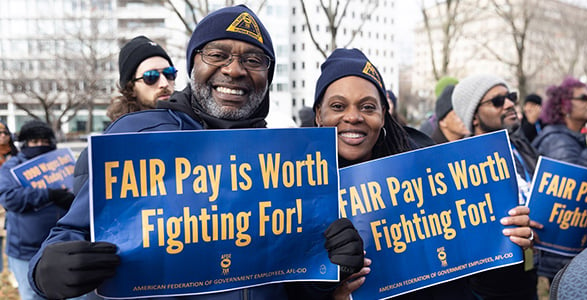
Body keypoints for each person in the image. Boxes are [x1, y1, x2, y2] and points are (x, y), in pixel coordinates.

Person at [28, 5, 355, 300]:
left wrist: (325, 272)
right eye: (218, 54)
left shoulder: (287, 161)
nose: (234, 70)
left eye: (253, 60)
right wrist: (45, 270)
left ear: (267, 76)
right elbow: (72, 231)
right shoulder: (138, 135)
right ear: (192, 63)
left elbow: (293, 280)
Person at [313, 50, 534, 300]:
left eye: (368, 107)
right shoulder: (295, 195)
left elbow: (470, 277)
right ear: (319, 113)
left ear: (383, 114)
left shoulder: (431, 176)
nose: (353, 117)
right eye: (338, 106)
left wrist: (505, 242)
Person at [451, 73, 539, 299]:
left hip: (529, 274)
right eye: (498, 101)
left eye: (511, 96)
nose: (509, 104)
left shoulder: (521, 146)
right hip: (487, 286)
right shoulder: (460, 163)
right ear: (474, 117)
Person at [530, 76, 587, 285]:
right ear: (564, 106)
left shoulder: (572, 138)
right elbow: (577, 191)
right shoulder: (557, 141)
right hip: (563, 252)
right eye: (584, 98)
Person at [0, 120, 76, 300]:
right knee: (33, 296)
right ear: (25, 143)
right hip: (25, 249)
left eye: (44, 141)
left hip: (62, 246)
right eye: (34, 142)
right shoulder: (11, 168)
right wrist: (49, 194)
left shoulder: (63, 163)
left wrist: (72, 200)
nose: (40, 146)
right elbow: (9, 198)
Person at [106, 35, 176, 121]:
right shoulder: (120, 132)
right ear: (131, 87)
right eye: (151, 76)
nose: (164, 83)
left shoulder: (190, 122)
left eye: (169, 73)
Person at [0, 121, 17, 275]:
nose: (3, 136)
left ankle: (12, 271)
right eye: (0, 133)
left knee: (10, 232)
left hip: (10, 199)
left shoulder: (15, 154)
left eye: (5, 133)